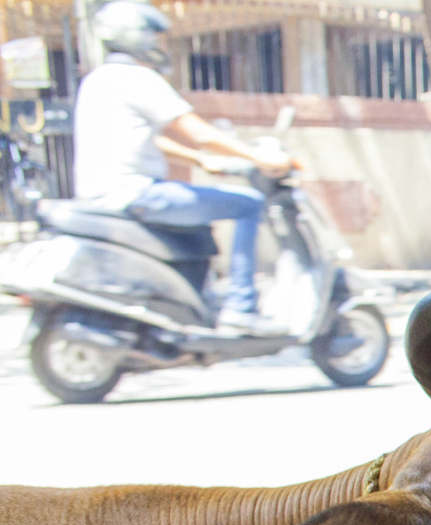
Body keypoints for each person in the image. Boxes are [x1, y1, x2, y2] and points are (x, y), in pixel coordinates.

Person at [73, 1, 298, 332]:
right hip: (137, 194)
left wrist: (198, 160)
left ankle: (201, 299)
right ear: (137, 37)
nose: (160, 46)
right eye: (155, 37)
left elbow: (149, 138)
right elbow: (195, 131)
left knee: (200, 219)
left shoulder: (98, 80)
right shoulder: (136, 78)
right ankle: (241, 305)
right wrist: (257, 157)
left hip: (103, 196)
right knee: (248, 204)